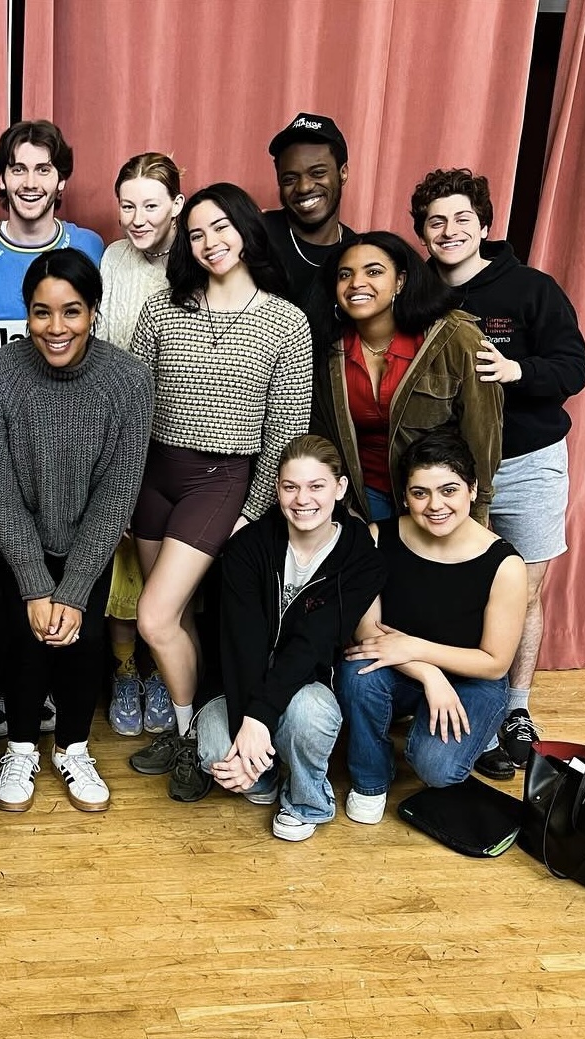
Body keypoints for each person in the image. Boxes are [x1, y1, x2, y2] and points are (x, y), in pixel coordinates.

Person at [127, 182, 312, 783]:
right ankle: (198, 723)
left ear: (246, 229)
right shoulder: (163, 309)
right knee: (174, 616)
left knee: (154, 617)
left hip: (221, 477)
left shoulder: (286, 322)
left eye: (221, 227)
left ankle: (186, 738)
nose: (210, 242)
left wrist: (254, 509)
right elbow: (133, 405)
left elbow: (285, 431)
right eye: (198, 232)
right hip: (153, 474)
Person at [410, 167, 585, 777]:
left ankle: (515, 706)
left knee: (524, 591)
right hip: (450, 475)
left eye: (463, 219)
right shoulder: (417, 296)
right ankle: (468, 709)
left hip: (527, 463)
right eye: (437, 222)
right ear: (423, 234)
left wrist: (519, 373)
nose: (450, 230)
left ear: (485, 225)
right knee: (462, 591)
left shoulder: (532, 290)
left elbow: (574, 367)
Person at [0, 249, 153, 813]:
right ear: (25, 313)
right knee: (25, 636)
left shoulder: (128, 380)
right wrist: (34, 582)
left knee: (84, 639)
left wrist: (72, 591)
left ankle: (73, 746)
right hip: (19, 534)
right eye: (41, 312)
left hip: (89, 541)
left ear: (93, 311)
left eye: (71, 312)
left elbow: (117, 493)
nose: (56, 328)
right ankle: (21, 745)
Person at [0, 120, 105, 741]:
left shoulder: (93, 248)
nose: (30, 181)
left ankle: (46, 687)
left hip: (68, 433)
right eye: (19, 168)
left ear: (61, 178)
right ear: (2, 176)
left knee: (57, 554)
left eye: (44, 169)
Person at [191, 436, 386, 841]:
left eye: (316, 486)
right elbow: (240, 645)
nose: (303, 500)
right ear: (276, 489)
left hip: (305, 682)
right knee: (217, 758)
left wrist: (258, 720)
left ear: (340, 488)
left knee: (309, 717)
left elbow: (311, 644)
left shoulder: (360, 557)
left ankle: (307, 801)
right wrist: (249, 730)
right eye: (290, 487)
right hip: (235, 680)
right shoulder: (248, 547)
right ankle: (262, 774)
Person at [339, 430, 527, 824]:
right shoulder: (379, 537)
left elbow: (494, 663)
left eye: (449, 490)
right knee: (358, 670)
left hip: (471, 677)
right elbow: (367, 633)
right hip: (401, 669)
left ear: (472, 490)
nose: (434, 505)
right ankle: (370, 780)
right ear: (405, 496)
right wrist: (428, 675)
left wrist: (416, 649)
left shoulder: (505, 564)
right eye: (420, 493)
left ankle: (472, 732)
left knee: (438, 770)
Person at [309, 230, 503, 525]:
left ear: (400, 280)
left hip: (437, 500)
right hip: (362, 500)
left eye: (373, 271)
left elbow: (482, 432)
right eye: (344, 275)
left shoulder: (454, 336)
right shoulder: (327, 350)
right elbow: (322, 439)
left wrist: (476, 511)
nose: (356, 283)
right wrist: (341, 509)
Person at [97, 152, 185, 739]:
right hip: (122, 428)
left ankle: (162, 668)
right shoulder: (111, 257)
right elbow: (102, 344)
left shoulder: (197, 259)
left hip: (182, 432)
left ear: (177, 204)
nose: (137, 216)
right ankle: (127, 669)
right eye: (127, 204)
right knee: (121, 562)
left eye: (151, 204)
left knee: (173, 566)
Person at [263, 112, 358, 307]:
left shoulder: (357, 251)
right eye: (290, 179)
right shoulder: (255, 235)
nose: (304, 187)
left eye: (318, 173)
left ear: (343, 173)